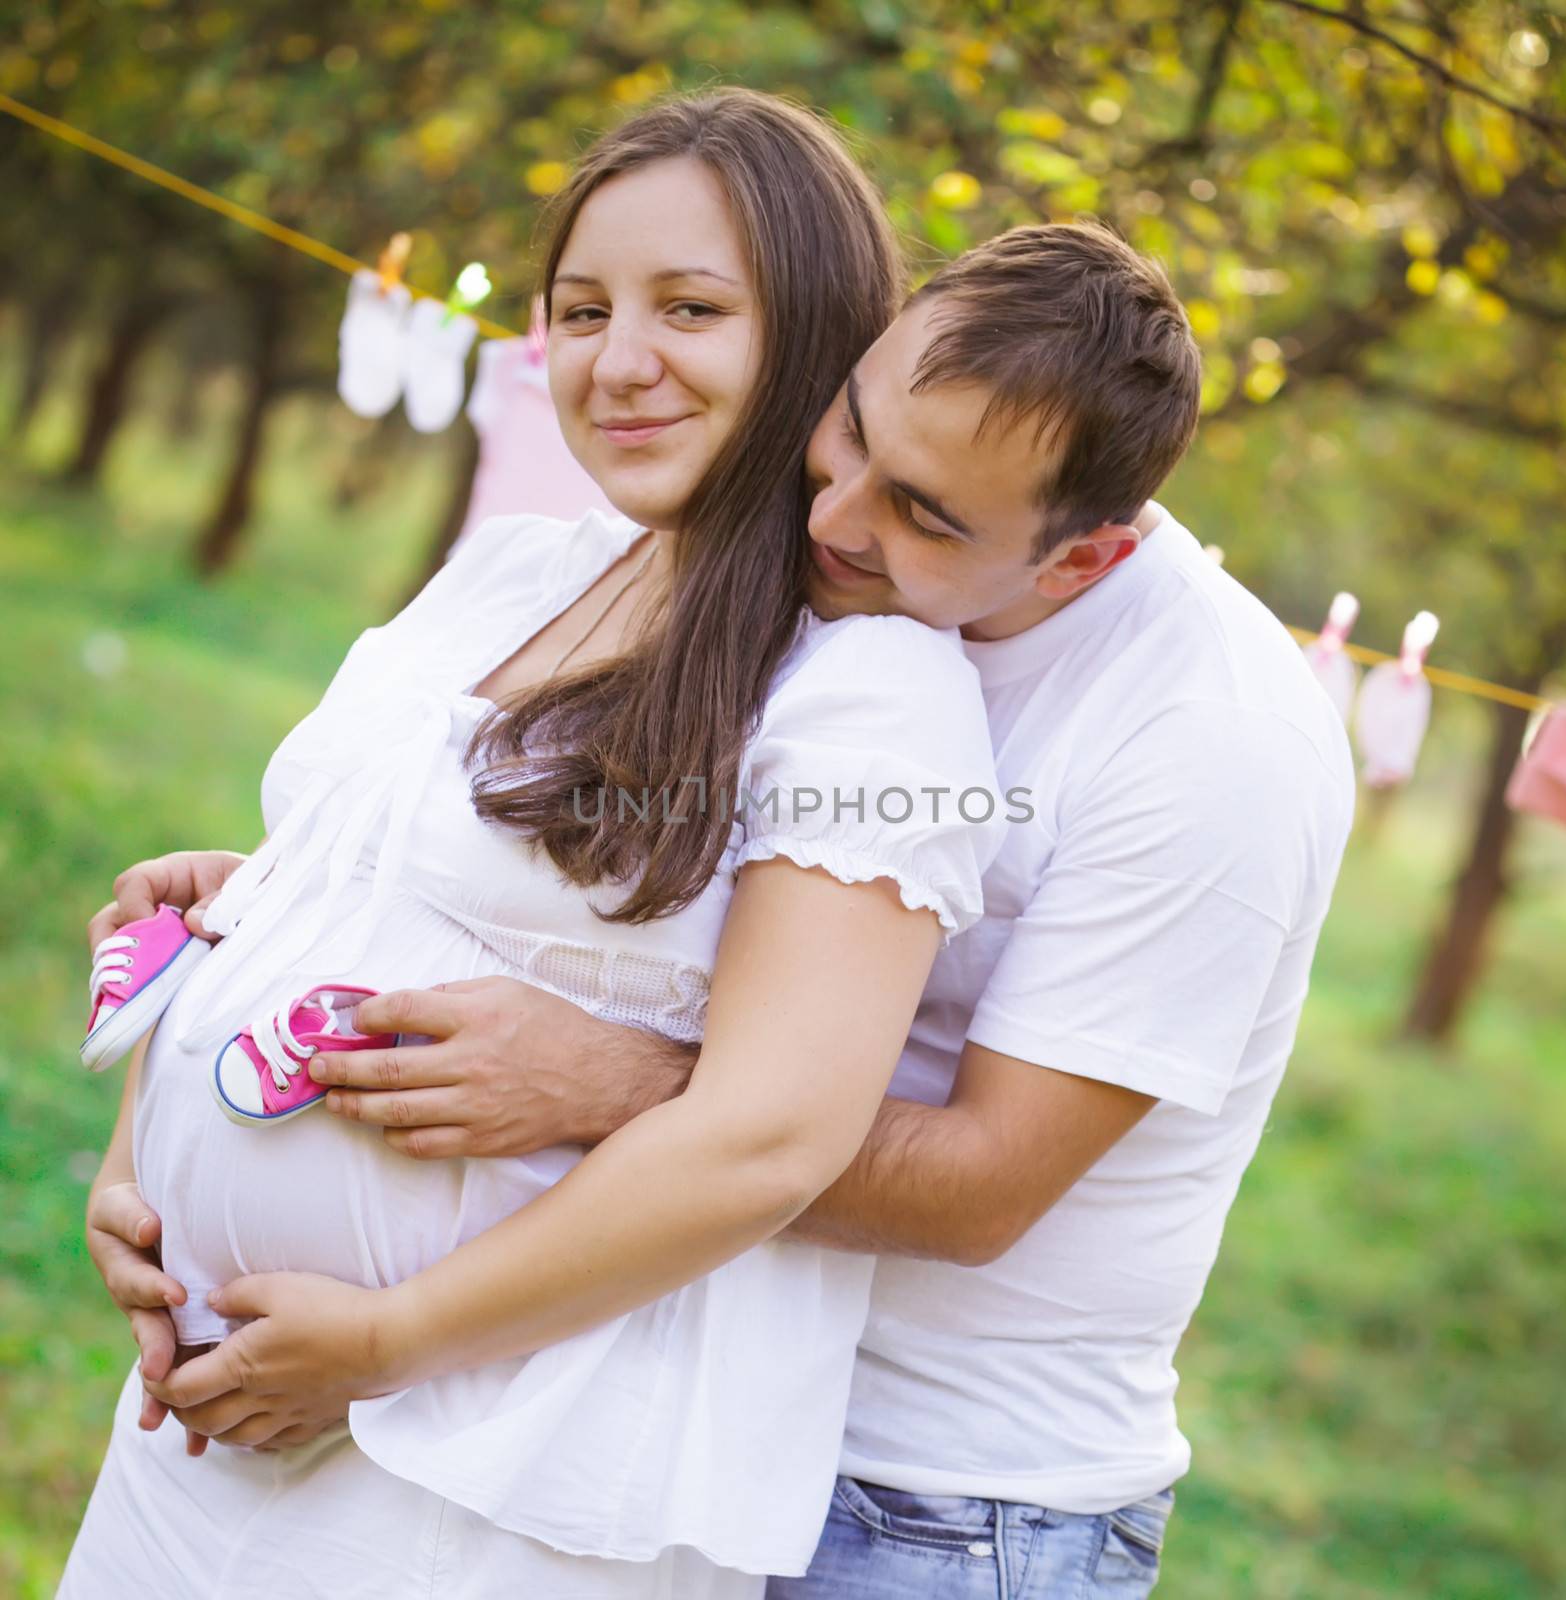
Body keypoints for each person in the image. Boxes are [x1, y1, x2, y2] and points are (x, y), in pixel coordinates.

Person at [142, 222, 1356, 1597]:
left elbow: (982, 1188)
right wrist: (310, 910)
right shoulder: (819, 586)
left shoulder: (1214, 740)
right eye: (850, 435)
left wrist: (618, 1084)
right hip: (680, 1385)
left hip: (935, 1503)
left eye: (926, 516)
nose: (838, 518)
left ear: (1081, 563)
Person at [61, 89, 1006, 1598]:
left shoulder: (868, 692)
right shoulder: (516, 569)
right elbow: (299, 888)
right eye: (580, 310)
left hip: (473, 1483)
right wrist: (140, 1179)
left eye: (690, 309)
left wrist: (383, 1344)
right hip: (209, 1421)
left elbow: (774, 1134)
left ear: (823, 337)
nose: (617, 363)